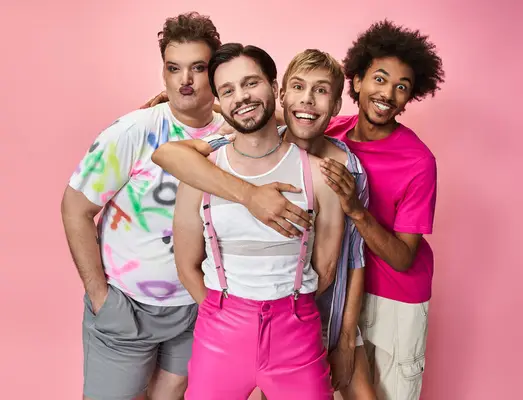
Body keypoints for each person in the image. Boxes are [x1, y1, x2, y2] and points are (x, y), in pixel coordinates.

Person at [153, 49, 377, 400]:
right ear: (220, 102)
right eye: (227, 90)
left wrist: (285, 309)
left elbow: (328, 267)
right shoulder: (201, 172)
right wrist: (223, 312)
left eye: (251, 83)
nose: (241, 96)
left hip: (297, 331)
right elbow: (186, 265)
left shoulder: (322, 176)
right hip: (219, 332)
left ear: (274, 88)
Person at [60, 12, 225, 400]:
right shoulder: (133, 132)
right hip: (127, 306)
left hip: (195, 308)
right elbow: (74, 207)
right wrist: (100, 295)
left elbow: (289, 125)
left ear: (215, 72)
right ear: (163, 73)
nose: (185, 80)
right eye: (174, 68)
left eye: (198, 68)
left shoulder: (233, 134)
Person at [319, 20, 445, 400]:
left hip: (397, 300)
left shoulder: (419, 161)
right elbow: (281, 118)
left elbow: (404, 258)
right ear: (356, 81)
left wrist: (357, 209)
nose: (387, 93)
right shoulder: (334, 134)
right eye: (380, 79)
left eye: (401, 87)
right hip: (342, 291)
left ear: (410, 97)